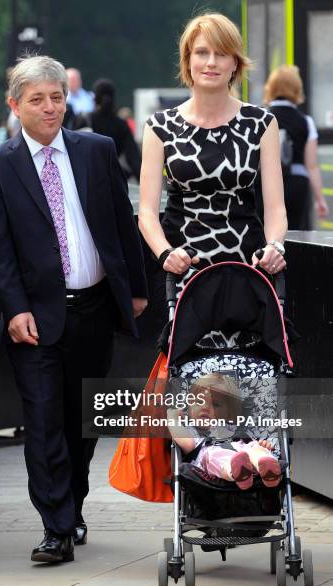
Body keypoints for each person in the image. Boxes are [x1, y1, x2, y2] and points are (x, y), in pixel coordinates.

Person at [0, 55, 148, 564]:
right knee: (45, 422)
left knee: (81, 425)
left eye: (56, 97)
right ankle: (55, 528)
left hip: (95, 310)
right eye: (37, 100)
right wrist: (14, 309)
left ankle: (72, 505)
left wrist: (134, 290)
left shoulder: (96, 150)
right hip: (36, 317)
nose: (50, 108)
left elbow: (122, 221)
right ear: (14, 106)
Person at [139, 12, 288, 352]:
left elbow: (276, 207)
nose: (211, 62)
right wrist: (165, 253)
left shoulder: (261, 123)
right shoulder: (160, 126)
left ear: (235, 63)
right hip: (186, 267)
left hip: (249, 267)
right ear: (187, 61)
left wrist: (276, 246)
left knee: (253, 386)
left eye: (221, 53)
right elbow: (147, 211)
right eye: (202, 52)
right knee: (193, 391)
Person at [168, 373, 281, 490]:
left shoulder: (234, 428)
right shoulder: (191, 430)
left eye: (215, 404)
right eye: (200, 401)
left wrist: (262, 446)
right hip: (213, 460)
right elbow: (188, 444)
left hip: (241, 451)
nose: (205, 407)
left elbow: (249, 443)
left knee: (255, 448)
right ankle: (236, 472)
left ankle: (265, 466)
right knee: (215, 457)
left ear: (229, 414)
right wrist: (172, 420)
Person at [263, 64, 328, 230]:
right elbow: (311, 165)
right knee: (297, 236)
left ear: (270, 88)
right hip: (296, 184)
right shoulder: (306, 121)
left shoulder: (260, 119)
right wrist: (319, 199)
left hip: (264, 184)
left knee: (266, 233)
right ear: (297, 89)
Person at [73, 79, 141, 182]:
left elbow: (73, 152)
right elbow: (133, 158)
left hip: (87, 178)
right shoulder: (121, 124)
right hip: (112, 179)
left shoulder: (84, 120)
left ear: (95, 98)